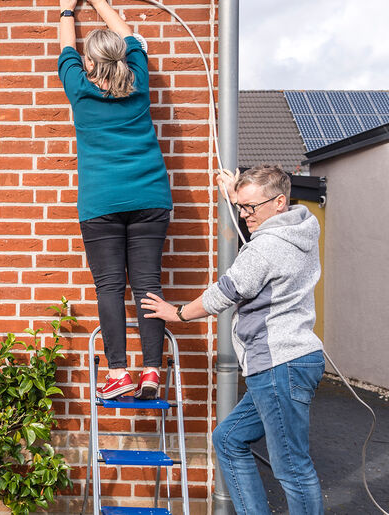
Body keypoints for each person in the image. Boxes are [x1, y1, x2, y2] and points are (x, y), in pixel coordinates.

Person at [141, 164, 325, 515]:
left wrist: (177, 313)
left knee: (292, 468)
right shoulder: (302, 229)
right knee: (228, 439)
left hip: (278, 365)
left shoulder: (265, 247)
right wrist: (236, 195)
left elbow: (224, 293)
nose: (244, 215)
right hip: (292, 361)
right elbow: (263, 231)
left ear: (280, 202)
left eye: (250, 208)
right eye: (241, 207)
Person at [56, 0, 173, 400]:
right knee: (148, 285)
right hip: (150, 197)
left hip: (101, 202)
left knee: (109, 286)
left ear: (90, 64)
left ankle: (119, 372)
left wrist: (69, 7)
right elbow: (129, 37)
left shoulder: (80, 92)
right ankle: (152, 372)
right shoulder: (139, 83)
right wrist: (101, 2)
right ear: (123, 61)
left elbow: (66, 49)